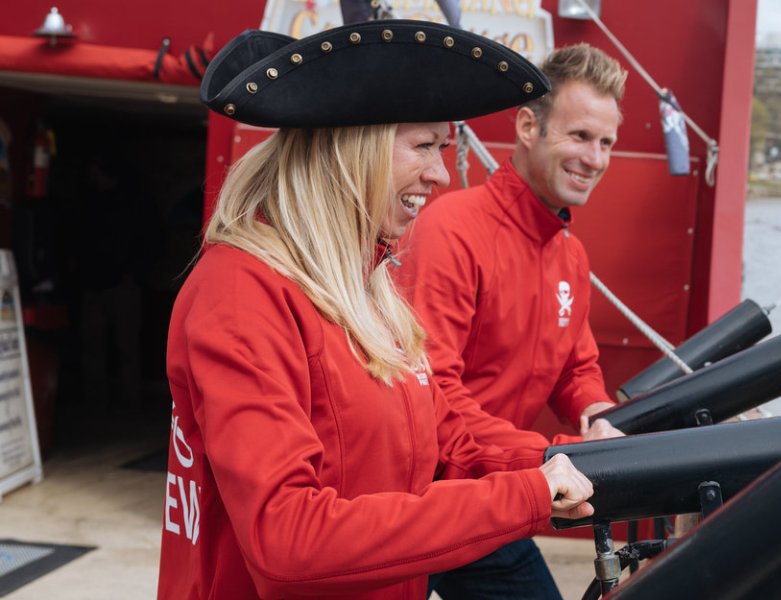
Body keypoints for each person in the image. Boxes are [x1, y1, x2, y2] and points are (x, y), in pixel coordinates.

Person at [160, 21, 595, 599]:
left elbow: (452, 447)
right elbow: (286, 538)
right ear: (350, 153)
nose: (441, 175)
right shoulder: (242, 292)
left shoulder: (366, 288)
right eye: (425, 146)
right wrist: (528, 496)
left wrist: (596, 464)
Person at [396, 43, 628, 599]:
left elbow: (577, 369)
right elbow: (433, 393)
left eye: (605, 143)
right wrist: (548, 458)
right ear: (528, 125)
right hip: (418, 499)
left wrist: (598, 418)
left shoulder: (569, 254)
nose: (593, 158)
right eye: (578, 136)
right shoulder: (451, 230)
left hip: (495, 493)